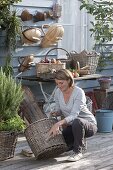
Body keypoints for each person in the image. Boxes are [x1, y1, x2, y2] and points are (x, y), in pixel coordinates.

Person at [47, 69, 97, 162]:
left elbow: (74, 115)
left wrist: (58, 124)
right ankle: (78, 143)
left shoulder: (79, 92)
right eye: (57, 83)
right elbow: (60, 110)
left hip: (88, 125)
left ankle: (78, 152)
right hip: (72, 126)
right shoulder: (58, 92)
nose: (59, 86)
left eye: (61, 83)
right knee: (61, 145)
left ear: (69, 80)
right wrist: (56, 112)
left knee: (77, 121)